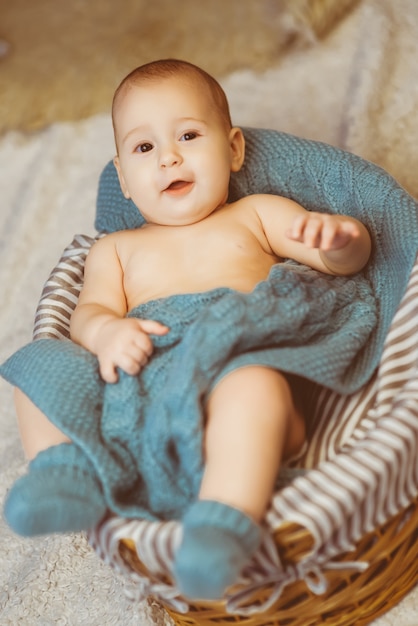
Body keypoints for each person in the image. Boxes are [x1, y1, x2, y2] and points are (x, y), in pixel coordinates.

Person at [6, 59, 371, 600]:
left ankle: (223, 524)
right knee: (35, 365)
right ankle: (67, 470)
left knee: (252, 388)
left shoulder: (255, 214)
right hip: (144, 391)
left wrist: (339, 240)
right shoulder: (114, 250)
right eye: (144, 148)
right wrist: (106, 332)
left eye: (189, 135)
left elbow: (344, 265)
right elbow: (84, 316)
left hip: (237, 364)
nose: (169, 156)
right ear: (124, 178)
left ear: (234, 149)